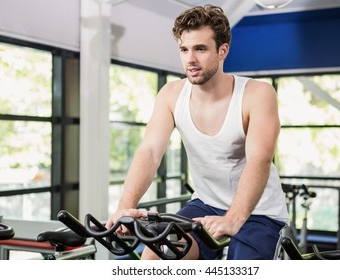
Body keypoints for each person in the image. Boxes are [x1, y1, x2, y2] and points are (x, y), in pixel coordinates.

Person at [106, 4, 288, 260]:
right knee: (153, 259)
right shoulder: (171, 94)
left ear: (222, 50)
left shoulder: (257, 94)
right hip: (205, 203)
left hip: (259, 211)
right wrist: (125, 207)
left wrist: (234, 218)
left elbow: (260, 158)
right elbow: (149, 151)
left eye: (200, 49)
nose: (190, 59)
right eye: (184, 49)